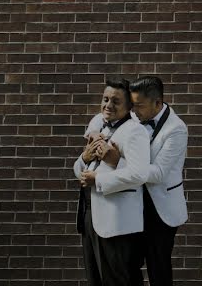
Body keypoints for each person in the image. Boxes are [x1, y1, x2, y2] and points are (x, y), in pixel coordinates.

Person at [100, 75, 188, 286]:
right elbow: (102, 120)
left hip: (160, 210)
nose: (133, 111)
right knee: (129, 264)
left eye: (138, 106)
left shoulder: (176, 129)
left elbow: (158, 173)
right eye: (132, 105)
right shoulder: (133, 117)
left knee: (159, 269)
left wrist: (119, 162)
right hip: (133, 204)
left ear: (157, 103)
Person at [73, 77, 150, 286]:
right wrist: (84, 159)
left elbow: (139, 174)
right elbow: (79, 170)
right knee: (95, 280)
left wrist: (99, 178)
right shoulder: (100, 125)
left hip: (116, 222)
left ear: (129, 106)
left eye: (115, 101)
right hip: (90, 215)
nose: (108, 105)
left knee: (119, 280)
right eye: (105, 99)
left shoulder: (135, 131)